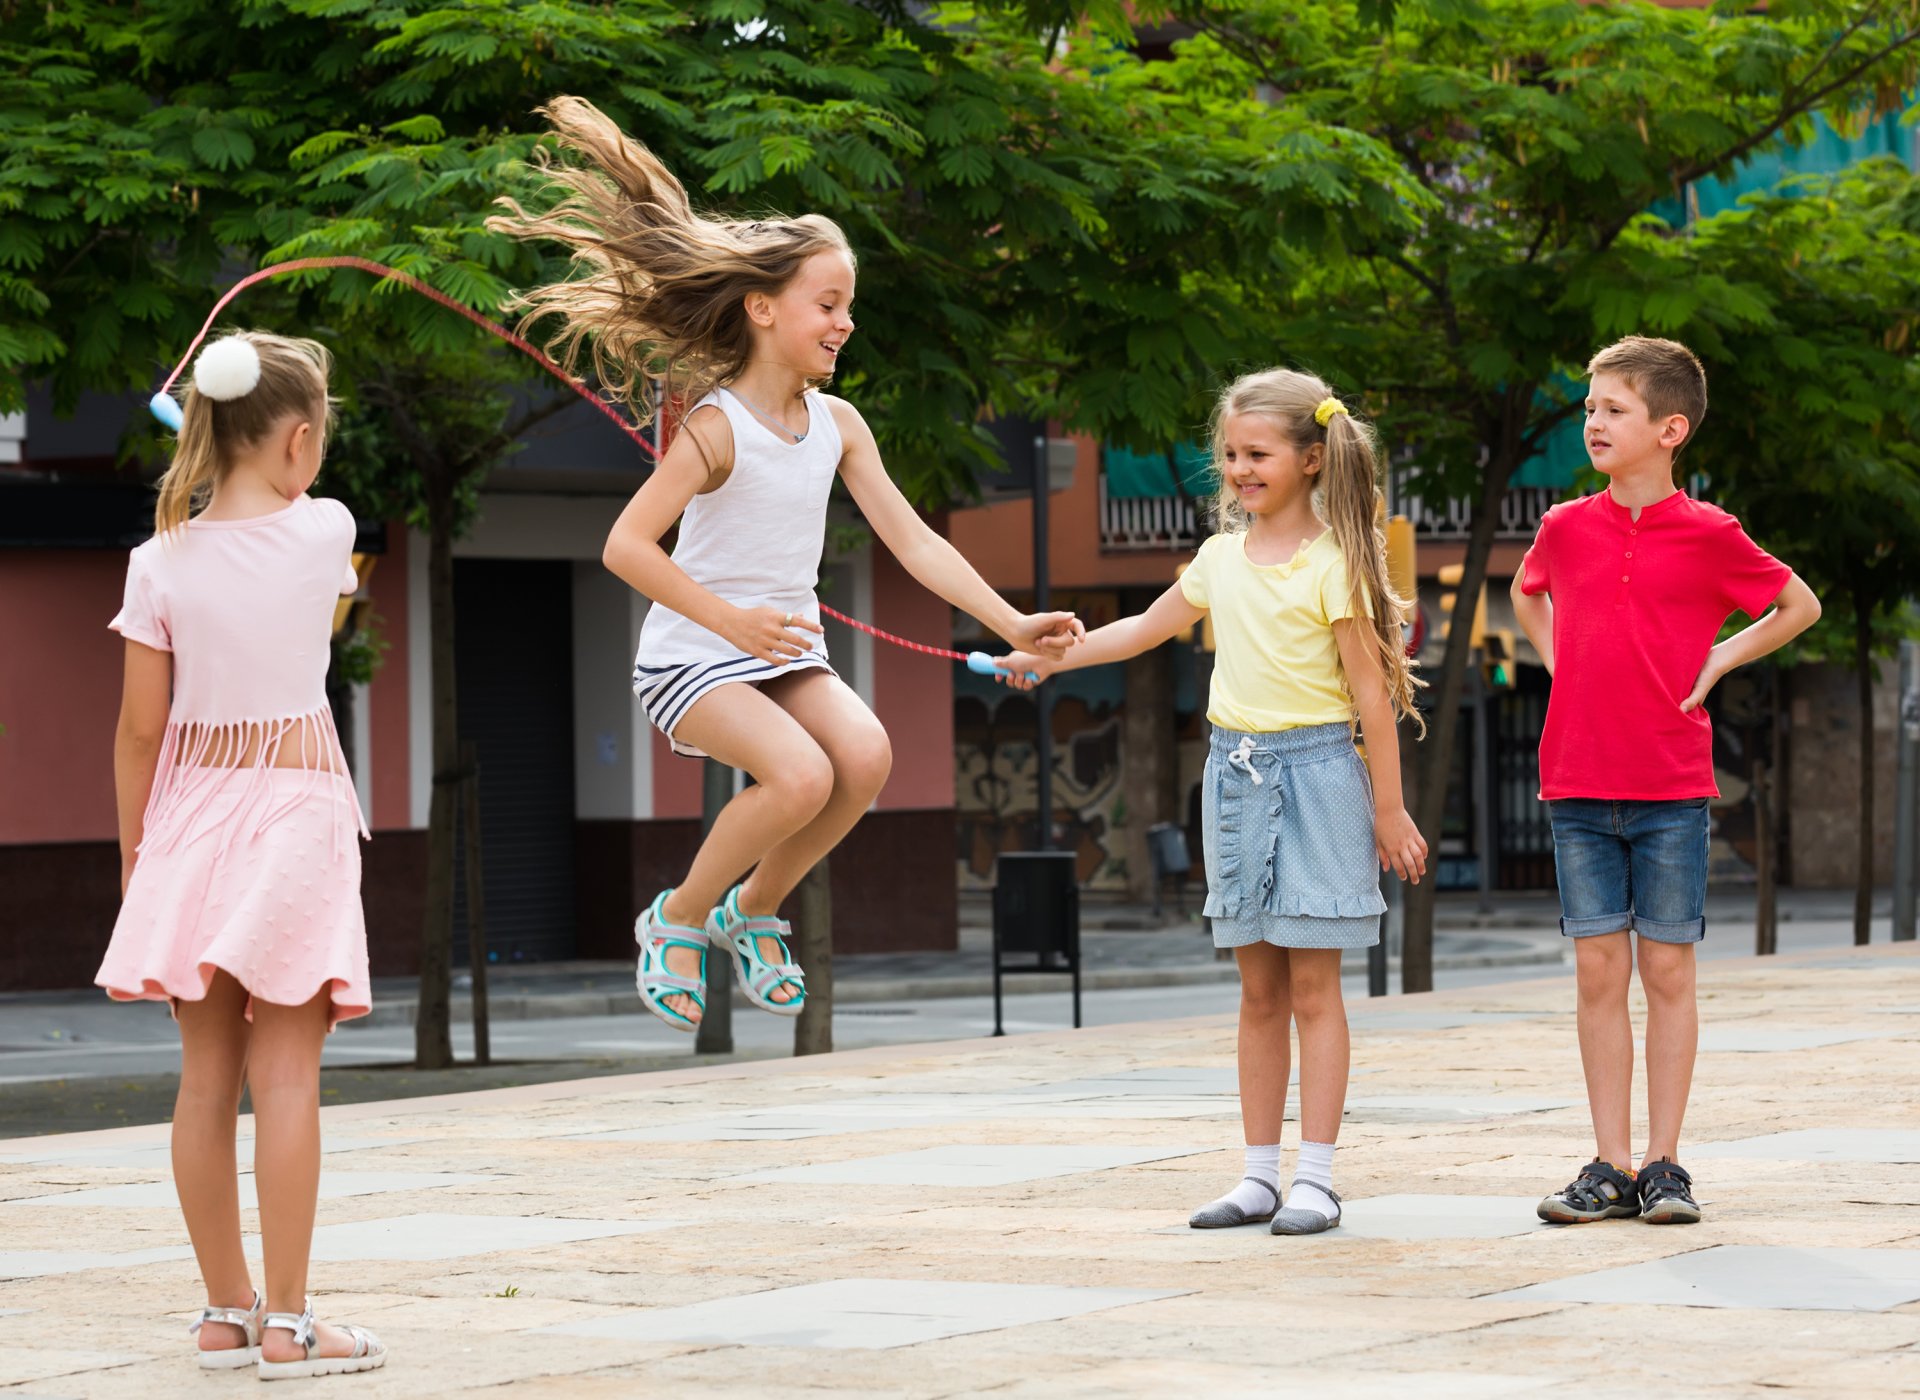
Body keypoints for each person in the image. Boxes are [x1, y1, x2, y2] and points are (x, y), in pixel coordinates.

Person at [491, 97, 1080, 1030]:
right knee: (800, 777)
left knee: (866, 757)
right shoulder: (718, 427)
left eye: (850, 307)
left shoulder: (838, 426)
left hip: (782, 650)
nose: (845, 323)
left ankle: (752, 908)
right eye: (829, 304)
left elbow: (915, 541)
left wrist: (1009, 622)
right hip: (691, 655)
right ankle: (677, 918)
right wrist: (730, 622)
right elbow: (624, 547)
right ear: (763, 309)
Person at [998, 368, 1428, 1235]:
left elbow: (1372, 700)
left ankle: (1317, 1177)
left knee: (1315, 988)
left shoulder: (1335, 562)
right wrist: (1052, 657)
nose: (1239, 467)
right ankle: (1258, 1176)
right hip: (1233, 778)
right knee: (1256, 990)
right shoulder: (1218, 557)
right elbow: (1142, 630)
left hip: (1318, 779)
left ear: (1312, 458)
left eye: (1257, 453)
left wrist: (1389, 808)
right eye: (1230, 453)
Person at [96, 331, 388, 1377]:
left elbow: (138, 730)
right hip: (293, 811)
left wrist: (140, 860)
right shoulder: (328, 529)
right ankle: (292, 1324)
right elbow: (323, 607)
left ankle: (225, 1309)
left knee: (204, 1074)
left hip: (186, 821)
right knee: (288, 1073)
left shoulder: (155, 558)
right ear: (301, 440)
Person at [1513, 335, 1821, 1226]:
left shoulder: (1712, 533)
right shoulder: (1564, 527)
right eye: (1590, 409)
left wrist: (1720, 658)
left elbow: (1796, 604)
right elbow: (1529, 592)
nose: (1593, 422)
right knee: (1598, 975)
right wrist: (1557, 663)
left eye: (1613, 409)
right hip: (1574, 784)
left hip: (1673, 789)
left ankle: (1664, 1165)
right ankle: (1607, 1165)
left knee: (1670, 975)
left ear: (1669, 427)